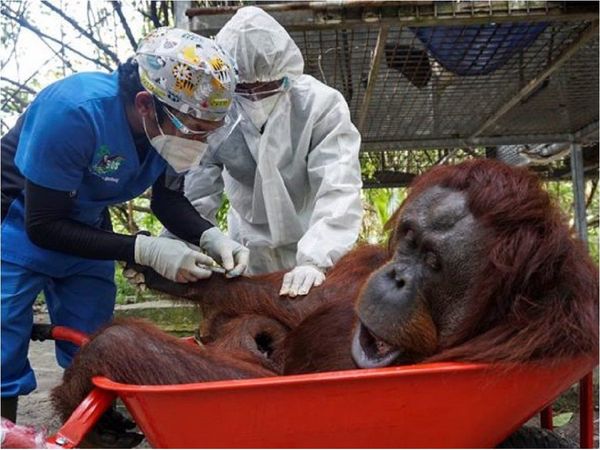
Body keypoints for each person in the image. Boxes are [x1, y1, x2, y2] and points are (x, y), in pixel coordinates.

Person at [0, 27, 249, 428]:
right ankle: (4, 427)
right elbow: (43, 225)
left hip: (84, 223)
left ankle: (95, 422)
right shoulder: (75, 112)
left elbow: (168, 200)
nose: (199, 141)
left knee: (93, 330)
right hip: (15, 220)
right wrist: (143, 249)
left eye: (210, 129)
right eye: (194, 127)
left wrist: (210, 235)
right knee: (3, 327)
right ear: (145, 104)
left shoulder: (166, 130)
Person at [178, 6, 363, 298]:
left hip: (312, 240)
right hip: (247, 251)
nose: (254, 96)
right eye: (244, 88)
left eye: (265, 87)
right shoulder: (216, 115)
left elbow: (338, 187)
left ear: (285, 72)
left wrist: (317, 259)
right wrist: (181, 249)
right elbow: (196, 193)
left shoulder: (320, 106)